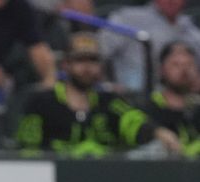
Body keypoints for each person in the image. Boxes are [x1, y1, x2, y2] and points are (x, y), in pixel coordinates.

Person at [16, 32, 183, 157]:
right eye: (80, 60)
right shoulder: (42, 102)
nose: (88, 68)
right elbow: (27, 150)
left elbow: (132, 121)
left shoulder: (109, 102)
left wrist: (158, 132)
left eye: (93, 60)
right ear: (66, 65)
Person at [99, 0, 200, 92]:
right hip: (131, 98)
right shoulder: (128, 18)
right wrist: (107, 85)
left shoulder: (191, 31)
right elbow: (98, 52)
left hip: (177, 100)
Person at [144, 41, 200, 157]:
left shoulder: (197, 108)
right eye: (176, 64)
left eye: (189, 64)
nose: (184, 70)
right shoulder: (148, 107)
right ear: (161, 70)